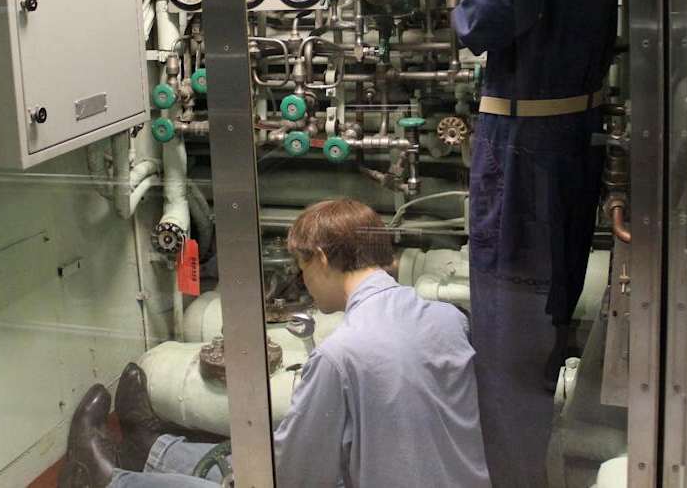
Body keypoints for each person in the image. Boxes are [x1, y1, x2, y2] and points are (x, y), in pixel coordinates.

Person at [443, 0, 619, 486]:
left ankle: (510, 474)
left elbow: (491, 15)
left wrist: (460, 6)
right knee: (547, 315)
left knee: (508, 327)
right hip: (571, 130)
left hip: (523, 142)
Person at [60, 198, 490, 488]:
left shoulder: (342, 355)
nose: (301, 279)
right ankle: (153, 450)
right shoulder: (449, 319)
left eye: (302, 265)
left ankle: (107, 479)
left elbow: (294, 476)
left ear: (322, 259)